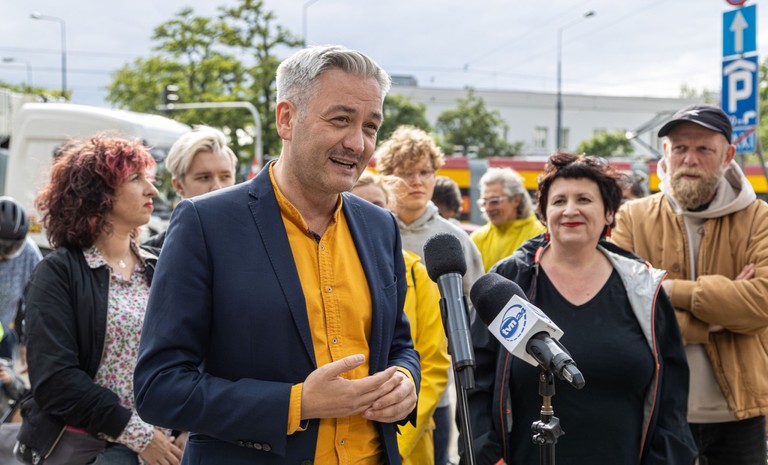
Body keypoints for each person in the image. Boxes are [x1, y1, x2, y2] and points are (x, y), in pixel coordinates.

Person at [134, 45, 420, 465]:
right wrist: (297, 403)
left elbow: (398, 343)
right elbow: (158, 388)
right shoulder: (206, 223)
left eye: (371, 126)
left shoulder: (380, 227)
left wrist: (405, 380)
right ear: (286, 118)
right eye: (341, 120)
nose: (357, 143)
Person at [467, 152, 696, 465]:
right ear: (544, 213)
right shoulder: (510, 281)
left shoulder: (643, 287)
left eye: (584, 199)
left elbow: (672, 399)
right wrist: (488, 458)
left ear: (609, 213)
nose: (570, 210)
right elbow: (476, 383)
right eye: (559, 201)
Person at [612, 104, 768, 465]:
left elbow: (761, 302)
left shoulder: (759, 218)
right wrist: (713, 319)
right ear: (666, 152)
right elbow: (619, 308)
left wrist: (665, 289)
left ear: (727, 156)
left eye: (704, 149)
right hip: (656, 407)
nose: (690, 159)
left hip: (740, 412)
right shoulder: (632, 217)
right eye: (680, 148)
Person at [16, 136, 183, 465]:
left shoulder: (157, 266)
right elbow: (55, 381)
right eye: (136, 179)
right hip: (94, 451)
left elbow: (185, 355)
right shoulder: (59, 273)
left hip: (166, 448)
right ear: (99, 194)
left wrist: (186, 427)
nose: (152, 190)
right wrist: (139, 436)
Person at [373, 124, 483, 465]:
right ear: (387, 177)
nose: (417, 182)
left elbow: (477, 310)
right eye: (406, 173)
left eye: (425, 172)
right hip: (379, 383)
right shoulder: (370, 232)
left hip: (439, 389)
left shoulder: (455, 239)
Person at [351, 172, 450, 465]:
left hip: (407, 440)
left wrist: (397, 440)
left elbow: (433, 363)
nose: (367, 214)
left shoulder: (416, 273)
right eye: (357, 204)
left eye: (378, 206)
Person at [143, 125, 237, 251]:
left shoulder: (256, 240)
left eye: (225, 177)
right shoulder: (153, 255)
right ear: (179, 185)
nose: (217, 187)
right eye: (204, 177)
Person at [470, 167, 546, 272]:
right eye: (484, 202)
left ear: (516, 200)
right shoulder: (478, 238)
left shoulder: (540, 235)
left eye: (494, 201)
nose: (488, 208)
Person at [0, 197, 42, 360]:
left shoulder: (29, 254)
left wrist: (29, 340)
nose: (2, 256)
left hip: (3, 335)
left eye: (7, 249)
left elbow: (36, 301)